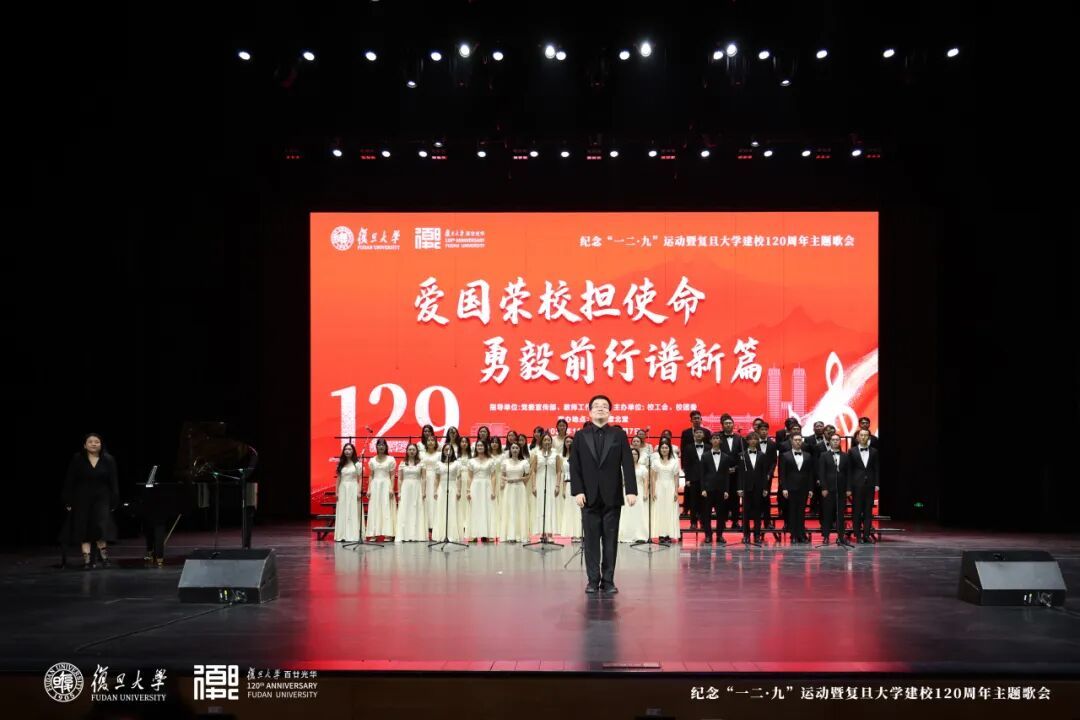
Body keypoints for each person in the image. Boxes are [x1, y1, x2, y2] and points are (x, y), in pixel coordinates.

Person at [569, 394, 637, 595]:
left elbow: (627, 462)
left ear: (609, 412)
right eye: (596, 406)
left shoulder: (618, 435)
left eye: (605, 406)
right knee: (591, 542)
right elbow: (575, 465)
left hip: (612, 496)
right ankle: (592, 580)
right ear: (590, 412)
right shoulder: (580, 436)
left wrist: (631, 490)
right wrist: (578, 490)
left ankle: (608, 580)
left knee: (610, 541)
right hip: (588, 497)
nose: (600, 408)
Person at [61, 433, 119, 569]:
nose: (94, 444)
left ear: (101, 444)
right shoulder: (77, 459)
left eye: (97, 442)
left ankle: (104, 558)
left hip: (102, 498)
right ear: (85, 445)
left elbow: (114, 482)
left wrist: (115, 500)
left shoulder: (108, 459)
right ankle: (87, 560)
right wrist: (68, 500)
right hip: (81, 499)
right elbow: (70, 480)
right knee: (84, 528)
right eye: (90, 442)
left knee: (101, 527)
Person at [779, 433, 814, 543]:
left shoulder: (808, 455)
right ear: (791, 441)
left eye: (800, 440)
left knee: (801, 512)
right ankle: (793, 535)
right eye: (796, 440)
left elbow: (810, 473)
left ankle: (801, 534)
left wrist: (810, 488)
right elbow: (782, 473)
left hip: (804, 487)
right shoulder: (785, 455)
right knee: (792, 511)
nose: (798, 442)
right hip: (790, 487)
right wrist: (784, 488)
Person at [679, 411, 711, 529]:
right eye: (694, 418)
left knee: (705, 501)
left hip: (705, 476)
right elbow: (685, 458)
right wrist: (686, 476)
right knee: (693, 500)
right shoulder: (687, 440)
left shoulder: (708, 442)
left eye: (698, 418)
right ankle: (693, 522)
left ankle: (703, 522)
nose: (697, 420)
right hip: (692, 475)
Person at [816, 433, 850, 543]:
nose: (835, 441)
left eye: (837, 440)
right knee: (827, 513)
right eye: (833, 440)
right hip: (828, 489)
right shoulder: (824, 455)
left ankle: (841, 537)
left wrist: (848, 488)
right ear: (830, 442)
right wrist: (824, 488)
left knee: (840, 514)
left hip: (841, 489)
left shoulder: (845, 456)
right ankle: (826, 536)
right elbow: (821, 473)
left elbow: (848, 473)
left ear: (840, 441)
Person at [848, 429, 880, 542]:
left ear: (869, 437)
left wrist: (877, 483)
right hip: (856, 485)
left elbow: (876, 469)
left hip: (870, 484)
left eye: (866, 435)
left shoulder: (874, 451)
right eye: (861, 435)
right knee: (856, 511)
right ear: (857, 437)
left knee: (868, 511)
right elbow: (849, 470)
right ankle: (857, 535)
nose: (863, 437)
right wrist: (849, 487)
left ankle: (866, 534)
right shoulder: (851, 451)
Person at [650, 440, 682, 543]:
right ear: (659, 449)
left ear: (669, 449)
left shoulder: (674, 461)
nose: (664, 449)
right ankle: (660, 534)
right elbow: (653, 478)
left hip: (670, 487)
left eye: (666, 448)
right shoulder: (655, 461)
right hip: (659, 487)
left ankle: (669, 534)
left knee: (669, 510)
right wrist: (653, 491)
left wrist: (676, 491)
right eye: (662, 448)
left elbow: (676, 477)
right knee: (660, 510)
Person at [365, 439, 397, 540]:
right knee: (375, 508)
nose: (381, 447)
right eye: (379, 445)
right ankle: (373, 533)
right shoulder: (372, 460)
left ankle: (388, 534)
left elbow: (392, 476)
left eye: (383, 445)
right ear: (376, 447)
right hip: (375, 486)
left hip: (386, 484)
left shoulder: (391, 459)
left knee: (386, 507)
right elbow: (371, 475)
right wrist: (369, 489)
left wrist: (391, 488)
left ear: (386, 447)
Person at [395, 443, 427, 542]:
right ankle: (404, 535)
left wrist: (423, 491)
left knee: (416, 509)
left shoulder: (421, 463)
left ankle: (417, 535)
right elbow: (400, 479)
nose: (412, 451)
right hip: (405, 489)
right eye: (410, 449)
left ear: (416, 451)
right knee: (405, 509)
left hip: (417, 488)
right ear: (407, 451)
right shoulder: (402, 463)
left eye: (413, 449)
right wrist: (399, 492)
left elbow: (424, 478)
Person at [334, 443, 363, 542]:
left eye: (350, 449)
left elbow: (360, 479)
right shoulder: (341, 464)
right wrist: (336, 492)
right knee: (343, 510)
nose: (347, 451)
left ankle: (353, 535)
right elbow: (338, 479)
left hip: (353, 488)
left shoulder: (357, 464)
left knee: (353, 510)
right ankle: (342, 534)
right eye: (346, 449)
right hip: (343, 489)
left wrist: (359, 492)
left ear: (353, 451)